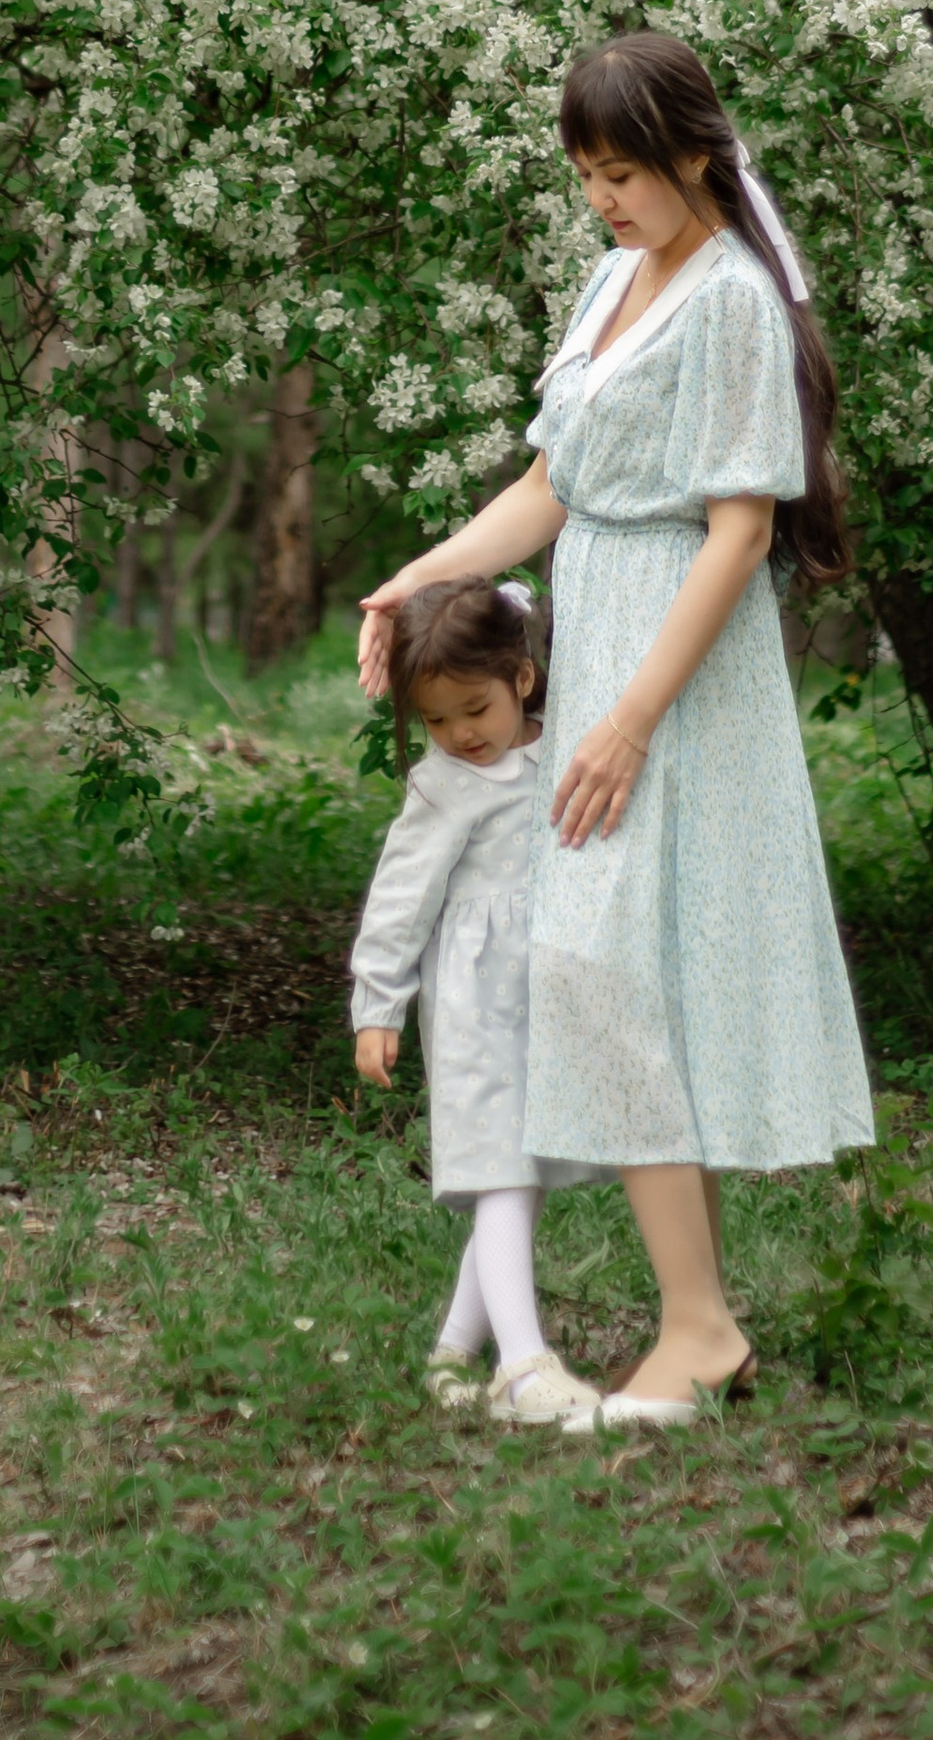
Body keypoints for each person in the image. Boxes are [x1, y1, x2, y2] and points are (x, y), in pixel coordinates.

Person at [359, 32, 873, 1430]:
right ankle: (699, 1320)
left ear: (695, 152)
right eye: (587, 174)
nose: (605, 198)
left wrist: (632, 713)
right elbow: (549, 486)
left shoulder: (733, 303)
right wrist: (420, 578)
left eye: (625, 172)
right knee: (618, 970)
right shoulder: (609, 281)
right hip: (602, 642)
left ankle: (700, 1325)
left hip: (679, 669)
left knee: (610, 966)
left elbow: (741, 527)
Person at [348, 578, 604, 1427]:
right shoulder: (444, 785)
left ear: (522, 679)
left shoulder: (566, 747)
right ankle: (523, 1367)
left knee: (517, 1174)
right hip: (472, 997)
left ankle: (453, 1351)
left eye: (474, 709)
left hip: (546, 993)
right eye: (436, 720)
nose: (460, 735)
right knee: (498, 1169)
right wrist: (378, 1004)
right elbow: (399, 897)